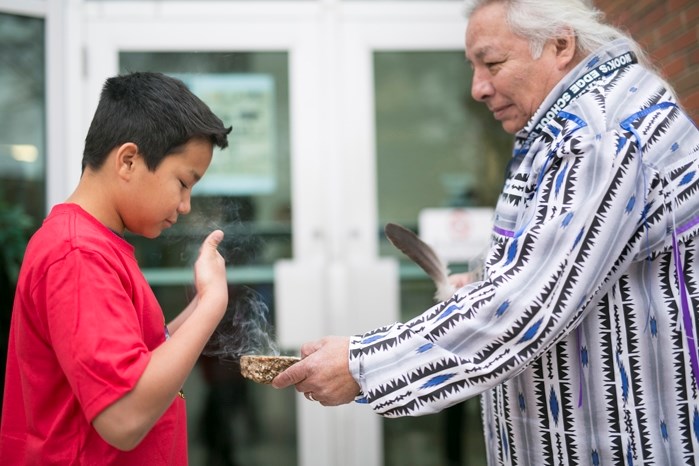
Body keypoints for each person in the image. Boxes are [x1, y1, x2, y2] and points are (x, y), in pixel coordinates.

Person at [272, 0, 699, 464]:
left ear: (560, 44)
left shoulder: (600, 135)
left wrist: (364, 363)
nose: (477, 88)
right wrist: (482, 282)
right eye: (474, 67)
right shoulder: (573, 126)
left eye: (492, 63)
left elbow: (525, 306)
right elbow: (559, 267)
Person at [0, 72, 232, 464]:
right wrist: (212, 307)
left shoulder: (95, 244)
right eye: (182, 183)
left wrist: (201, 302)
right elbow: (124, 415)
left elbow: (141, 359)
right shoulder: (78, 254)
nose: (185, 205)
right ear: (128, 160)